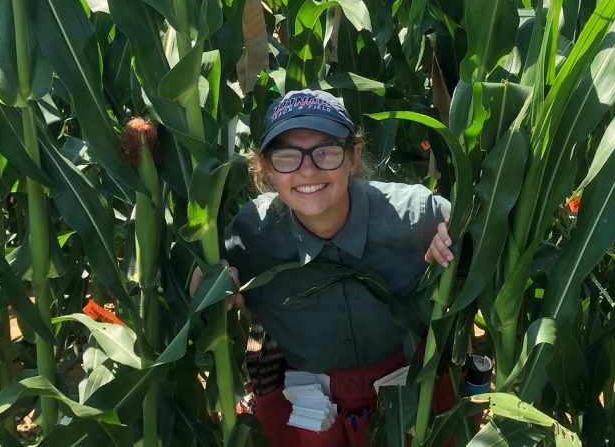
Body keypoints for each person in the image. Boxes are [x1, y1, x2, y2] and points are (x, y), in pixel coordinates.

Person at [191, 89, 464, 446]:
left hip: (411, 394)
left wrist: (456, 236)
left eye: (326, 152)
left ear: (353, 157)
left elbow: (474, 229)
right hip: (311, 407)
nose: (308, 169)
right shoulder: (251, 235)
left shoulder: (415, 216)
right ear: (268, 168)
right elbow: (201, 284)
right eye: (287, 156)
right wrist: (206, 285)